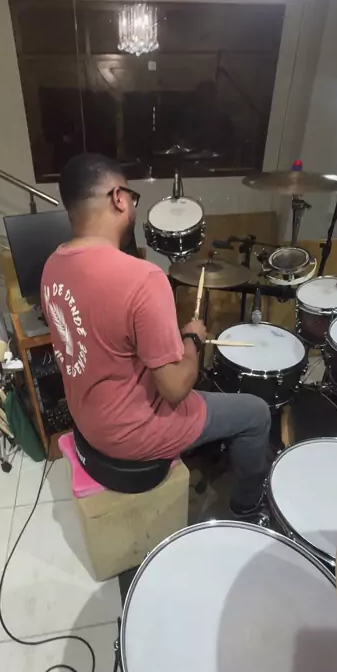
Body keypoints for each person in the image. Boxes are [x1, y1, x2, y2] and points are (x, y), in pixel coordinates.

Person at [41, 153, 271, 516]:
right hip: (131, 433)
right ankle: (247, 507)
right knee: (256, 413)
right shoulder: (143, 278)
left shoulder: (52, 265)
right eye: (132, 198)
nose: (132, 205)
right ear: (119, 198)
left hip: (87, 418)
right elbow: (175, 389)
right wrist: (193, 340)